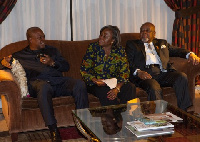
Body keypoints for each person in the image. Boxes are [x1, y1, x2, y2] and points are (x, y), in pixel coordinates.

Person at [0, 27, 89, 142]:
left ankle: (83, 125)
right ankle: (53, 130)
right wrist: (2, 62)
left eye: (43, 36)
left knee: (79, 84)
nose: (43, 40)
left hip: (57, 82)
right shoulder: (20, 55)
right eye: (39, 38)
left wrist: (52, 62)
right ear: (31, 39)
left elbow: (66, 66)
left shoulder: (52, 50)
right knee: (44, 87)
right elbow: (4, 64)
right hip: (37, 84)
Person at [125, 22, 200, 111]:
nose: (144, 33)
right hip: (145, 75)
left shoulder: (161, 43)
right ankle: (159, 116)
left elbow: (177, 51)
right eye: (142, 31)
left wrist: (190, 54)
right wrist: (138, 72)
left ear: (154, 33)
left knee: (181, 77)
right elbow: (127, 61)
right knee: (154, 87)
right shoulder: (132, 44)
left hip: (162, 73)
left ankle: (184, 112)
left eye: (147, 31)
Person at [80, 25, 136, 106]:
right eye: (101, 35)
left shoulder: (120, 51)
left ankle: (129, 114)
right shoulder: (93, 48)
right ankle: (117, 116)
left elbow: (125, 72)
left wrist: (117, 88)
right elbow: (84, 69)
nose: (101, 37)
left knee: (130, 87)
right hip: (95, 84)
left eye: (105, 36)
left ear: (112, 40)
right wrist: (95, 80)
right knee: (107, 93)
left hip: (113, 82)